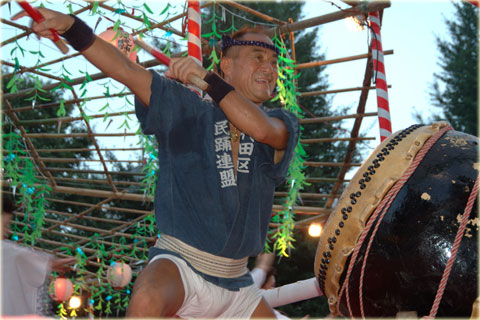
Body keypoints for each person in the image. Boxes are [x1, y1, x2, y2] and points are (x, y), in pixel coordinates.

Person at [13, 7, 299, 318]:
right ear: (227, 65)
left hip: (238, 283)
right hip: (180, 265)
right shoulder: (187, 108)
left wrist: (207, 81)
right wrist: (71, 26)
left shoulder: (282, 121)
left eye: (273, 62)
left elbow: (259, 130)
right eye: (258, 57)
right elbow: (125, 69)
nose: (269, 68)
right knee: (147, 297)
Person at [1, 195, 75, 316]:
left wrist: (48, 264)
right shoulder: (7, 250)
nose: (7, 230)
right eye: (4, 225)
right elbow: (17, 254)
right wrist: (51, 264)